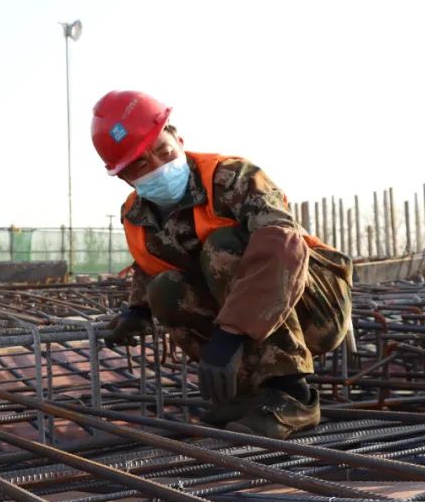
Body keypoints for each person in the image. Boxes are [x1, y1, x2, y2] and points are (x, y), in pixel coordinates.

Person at [93, 90, 352, 438]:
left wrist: (231, 333)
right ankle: (251, 394)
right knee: (166, 290)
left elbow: (283, 246)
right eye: (141, 164)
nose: (158, 166)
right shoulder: (136, 214)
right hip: (249, 315)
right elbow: (151, 264)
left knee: (222, 246)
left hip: (314, 304)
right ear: (125, 177)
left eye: (164, 151)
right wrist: (137, 310)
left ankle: (293, 393)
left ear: (178, 140)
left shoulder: (233, 177)